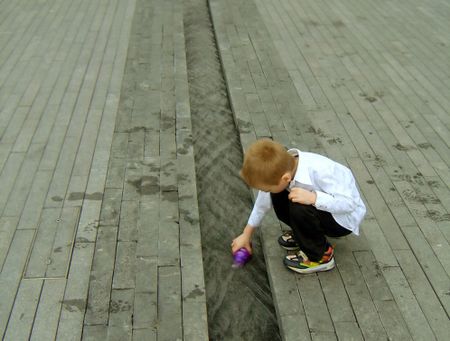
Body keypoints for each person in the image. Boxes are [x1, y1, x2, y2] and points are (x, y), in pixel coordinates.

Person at [231, 139, 366, 274]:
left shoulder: (322, 171)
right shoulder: (281, 169)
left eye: (266, 189)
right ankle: (304, 234)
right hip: (321, 209)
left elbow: (350, 203)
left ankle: (320, 256)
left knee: (299, 207)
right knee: (277, 195)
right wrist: (246, 234)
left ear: (286, 178)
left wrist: (314, 198)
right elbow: (262, 204)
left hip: (342, 220)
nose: (265, 192)